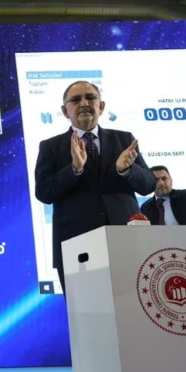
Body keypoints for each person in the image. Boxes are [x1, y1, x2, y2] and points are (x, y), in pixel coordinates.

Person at [34, 80, 156, 292]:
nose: (84, 103)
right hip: (76, 248)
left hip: (126, 242)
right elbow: (44, 192)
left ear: (101, 106)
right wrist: (74, 169)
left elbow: (148, 185)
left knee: (133, 308)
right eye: (76, 100)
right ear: (65, 111)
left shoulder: (124, 139)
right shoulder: (50, 147)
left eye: (90, 97)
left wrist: (127, 170)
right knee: (87, 311)